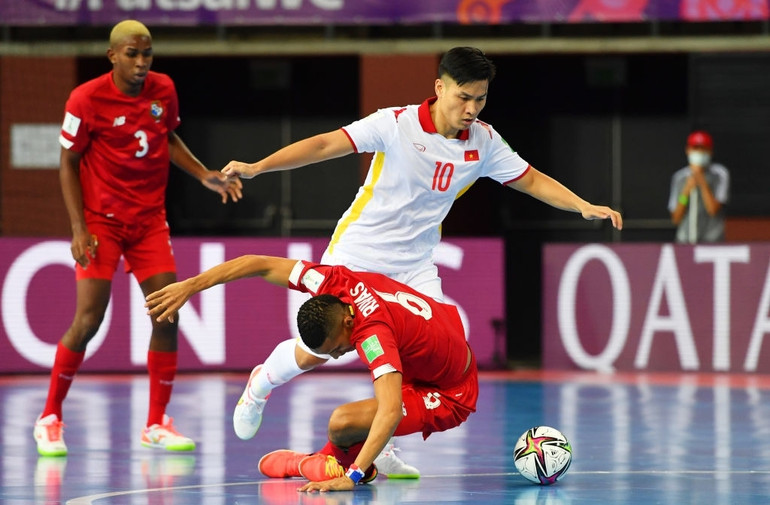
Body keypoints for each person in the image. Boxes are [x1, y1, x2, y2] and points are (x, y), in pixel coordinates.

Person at [219, 47, 623, 476]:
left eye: (481, 99)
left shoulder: (484, 142)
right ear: (439, 88)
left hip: (415, 266)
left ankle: (382, 442)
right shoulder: (395, 124)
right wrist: (257, 167)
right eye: (463, 97)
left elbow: (531, 179)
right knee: (317, 353)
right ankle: (261, 383)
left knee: (428, 351)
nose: (471, 109)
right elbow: (325, 144)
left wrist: (581, 205)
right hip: (359, 253)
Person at [32, 19, 243, 457]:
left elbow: (167, 138)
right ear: (112, 56)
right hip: (101, 222)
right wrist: (77, 227)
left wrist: (204, 173)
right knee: (89, 320)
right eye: (132, 54)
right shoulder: (85, 99)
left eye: (147, 54)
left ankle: (156, 423)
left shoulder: (163, 89)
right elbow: (67, 162)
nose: (142, 62)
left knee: (167, 314)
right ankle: (50, 416)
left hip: (149, 222)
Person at [144, 253, 478, 491]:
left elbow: (390, 410)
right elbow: (256, 264)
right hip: (428, 352)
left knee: (343, 423)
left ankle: (316, 463)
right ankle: (324, 461)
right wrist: (189, 286)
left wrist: (355, 477)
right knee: (351, 419)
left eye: (336, 347)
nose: (334, 357)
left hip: (449, 391)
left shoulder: (374, 338)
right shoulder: (332, 281)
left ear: (349, 322)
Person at [668, 130, 730, 243]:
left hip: (712, 241)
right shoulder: (680, 177)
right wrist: (686, 191)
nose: (699, 152)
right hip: (685, 241)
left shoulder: (720, 174)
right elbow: (676, 217)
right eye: (696, 148)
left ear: (710, 151)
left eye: (703, 149)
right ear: (688, 150)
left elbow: (712, 209)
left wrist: (701, 181)